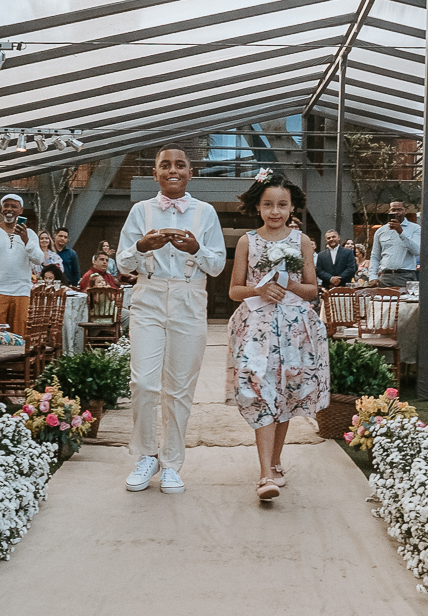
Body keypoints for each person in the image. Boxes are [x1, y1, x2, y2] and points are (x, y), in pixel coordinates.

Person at [116, 143, 225, 494]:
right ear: (155, 173)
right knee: (144, 382)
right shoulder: (140, 210)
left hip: (189, 296)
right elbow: (122, 262)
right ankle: (146, 454)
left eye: (180, 165)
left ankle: (172, 462)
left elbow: (218, 264)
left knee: (179, 387)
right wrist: (141, 248)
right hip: (148, 294)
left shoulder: (205, 212)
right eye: (165, 165)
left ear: (191, 172)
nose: (173, 170)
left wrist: (196, 249)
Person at [228, 171, 328, 501]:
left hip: (294, 327)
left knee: (286, 391)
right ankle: (264, 475)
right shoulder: (247, 241)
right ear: (257, 206)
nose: (275, 211)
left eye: (282, 205)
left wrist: (287, 283)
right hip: (256, 326)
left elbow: (312, 289)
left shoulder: (301, 241)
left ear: (291, 208)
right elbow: (234, 290)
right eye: (268, 204)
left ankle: (275, 462)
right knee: (258, 388)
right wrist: (259, 288)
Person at [0, 195, 42, 336]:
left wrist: (25, 240)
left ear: (21, 210)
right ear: (1, 209)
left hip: (22, 292)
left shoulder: (30, 234)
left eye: (14, 206)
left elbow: (38, 259)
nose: (9, 209)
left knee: (20, 335)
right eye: (6, 205)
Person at [368, 201, 421, 287]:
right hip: (385, 276)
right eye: (393, 210)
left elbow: (417, 251)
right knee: (382, 300)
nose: (396, 213)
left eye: (399, 210)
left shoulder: (415, 228)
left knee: (404, 300)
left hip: (405, 276)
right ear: (389, 211)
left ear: (405, 211)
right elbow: (375, 256)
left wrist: (401, 232)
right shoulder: (381, 231)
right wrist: (372, 276)